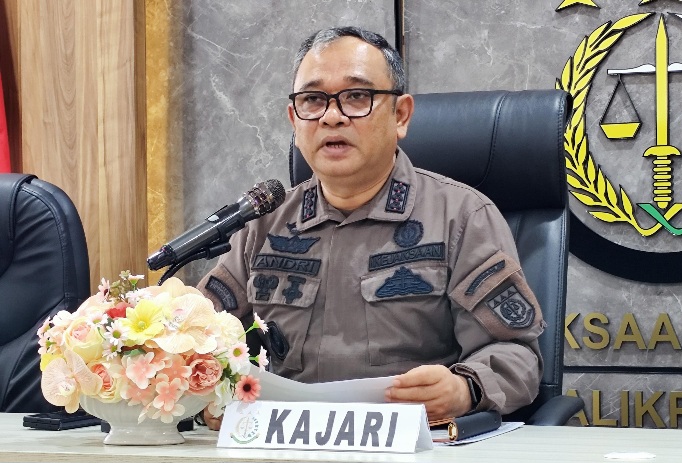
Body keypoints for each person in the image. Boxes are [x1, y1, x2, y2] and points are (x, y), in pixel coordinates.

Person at [197, 26, 544, 430]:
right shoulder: (263, 223)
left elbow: (517, 353)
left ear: (401, 115)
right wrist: (209, 391)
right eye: (313, 100)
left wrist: (464, 388)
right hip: (287, 441)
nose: (331, 116)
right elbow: (199, 335)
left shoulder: (462, 216)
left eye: (357, 97)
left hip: (411, 443)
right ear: (294, 119)